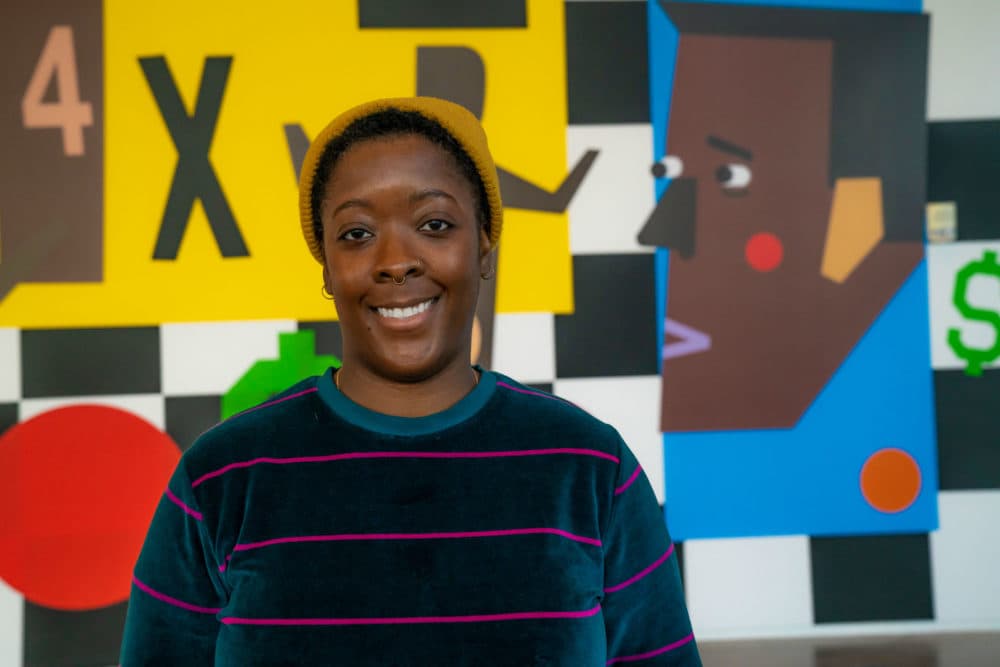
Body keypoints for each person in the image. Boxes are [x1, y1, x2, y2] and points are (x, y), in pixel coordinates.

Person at [120, 96, 701, 666]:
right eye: (356, 234)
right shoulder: (221, 477)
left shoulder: (591, 468)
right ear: (325, 264)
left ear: (484, 248)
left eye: (434, 223)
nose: (396, 259)